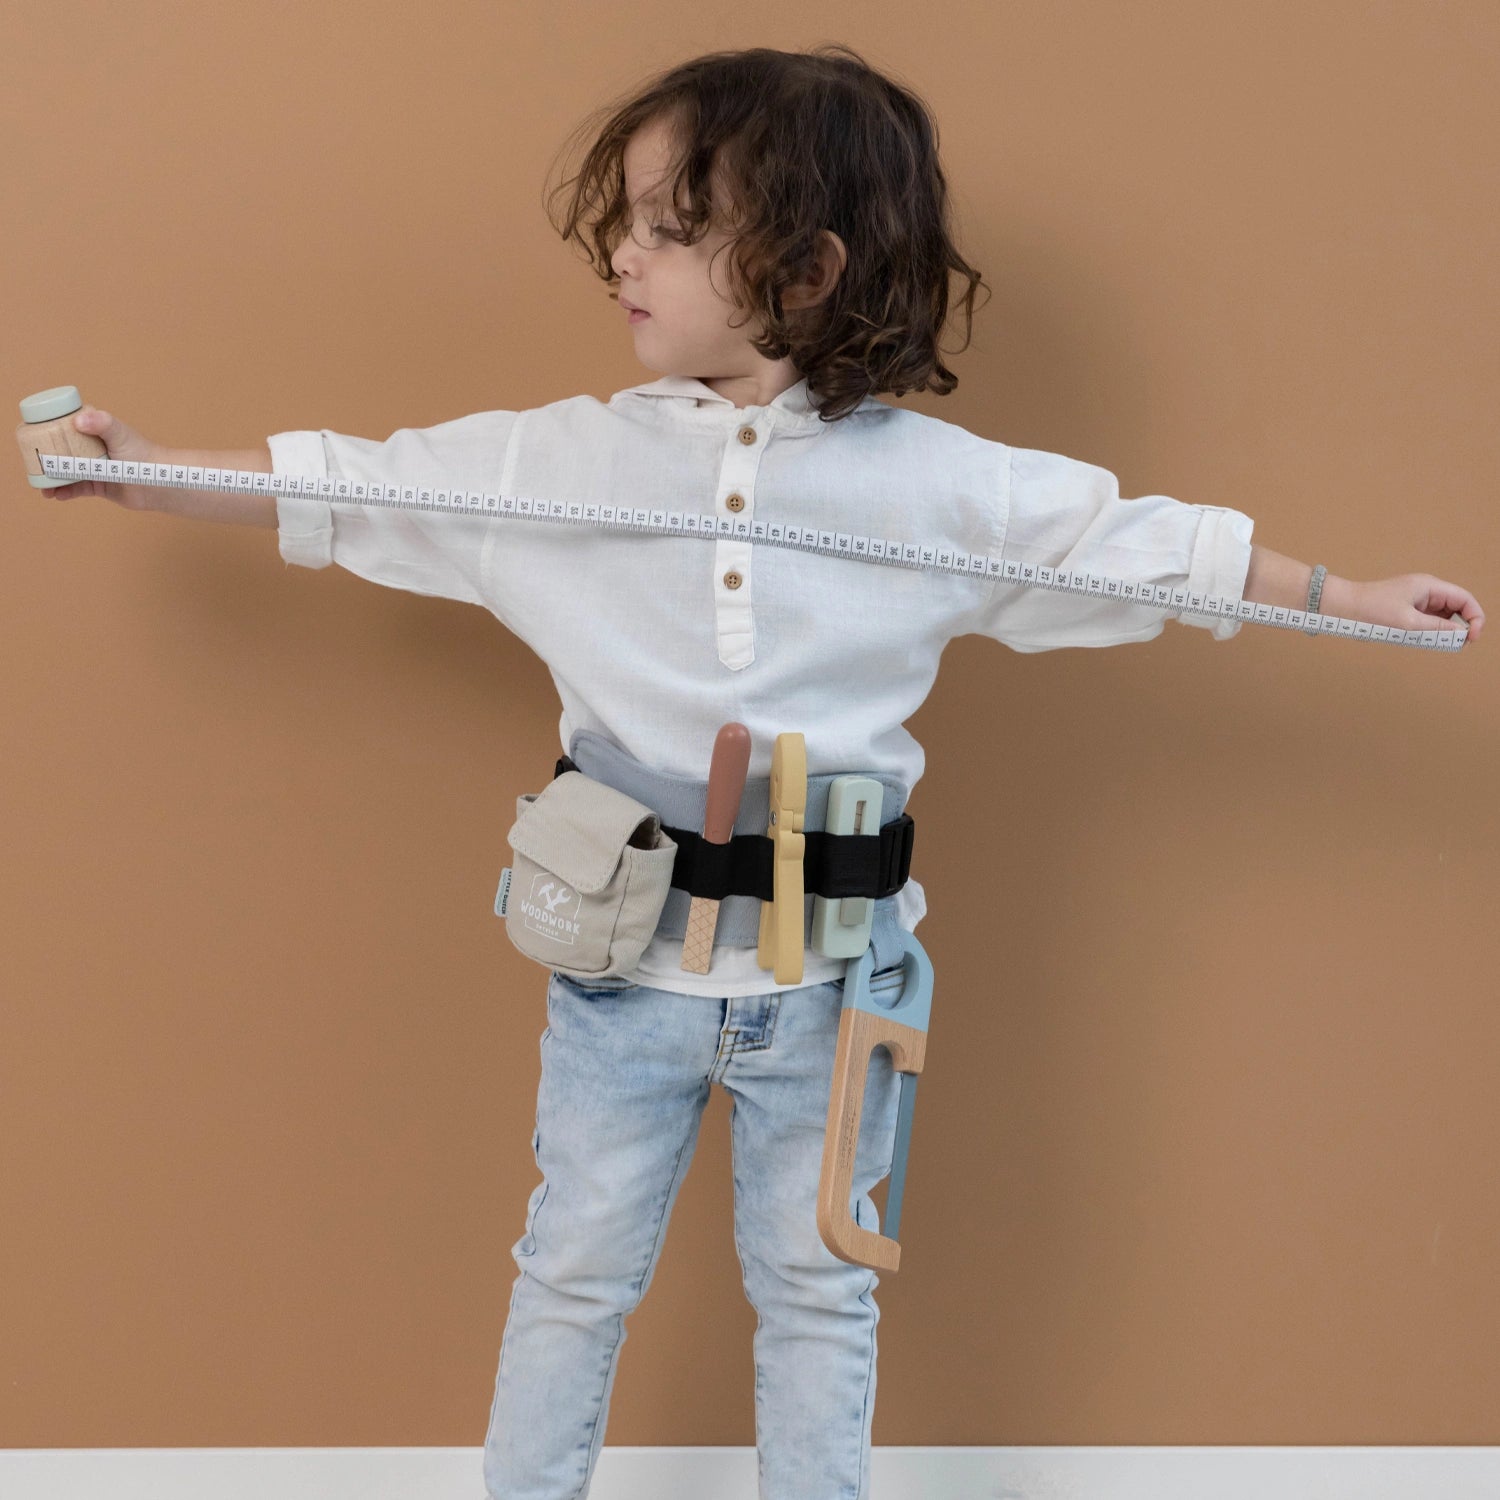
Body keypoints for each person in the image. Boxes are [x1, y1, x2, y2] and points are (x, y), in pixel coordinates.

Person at [32, 42, 1484, 1500]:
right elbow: (359, 485)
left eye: (670, 226)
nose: (623, 254)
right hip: (621, 983)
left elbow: (1138, 547)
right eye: (629, 221)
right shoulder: (559, 467)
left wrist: (1349, 595)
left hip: (836, 983)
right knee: (571, 1280)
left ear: (801, 273)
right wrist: (150, 469)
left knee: (821, 1291)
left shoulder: (931, 485)